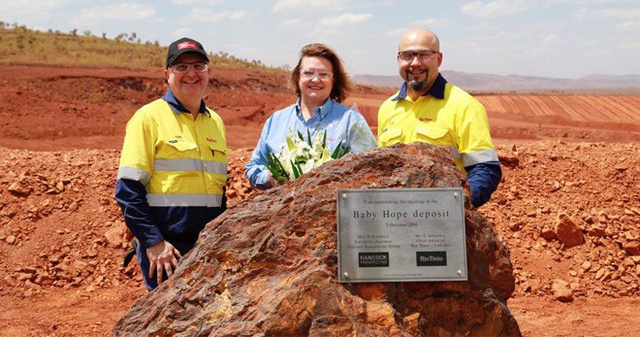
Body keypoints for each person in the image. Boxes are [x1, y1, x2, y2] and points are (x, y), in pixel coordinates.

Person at [115, 37, 228, 290]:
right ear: (168, 74)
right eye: (181, 67)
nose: (191, 73)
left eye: (198, 66)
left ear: (208, 72)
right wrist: (153, 242)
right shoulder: (148, 118)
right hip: (168, 251)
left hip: (210, 247)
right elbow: (128, 190)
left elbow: (219, 191)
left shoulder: (216, 122)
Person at [377, 28, 501, 208]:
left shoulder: (464, 105)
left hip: (443, 225)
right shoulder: (388, 108)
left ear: (439, 59)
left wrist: (458, 208)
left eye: (423, 54)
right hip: (396, 220)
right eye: (407, 55)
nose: (415, 63)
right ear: (398, 59)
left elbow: (485, 168)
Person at [246, 43, 377, 189]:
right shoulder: (276, 120)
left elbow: (371, 170)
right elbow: (253, 167)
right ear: (297, 77)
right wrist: (270, 177)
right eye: (308, 73)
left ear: (333, 81)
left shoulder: (351, 122)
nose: (315, 80)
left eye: (323, 74)